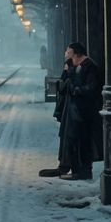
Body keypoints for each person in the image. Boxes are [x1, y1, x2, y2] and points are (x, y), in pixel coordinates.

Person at [60, 42, 102, 179]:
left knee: (83, 141)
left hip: (84, 111)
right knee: (73, 140)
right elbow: (63, 85)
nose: (66, 54)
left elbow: (92, 88)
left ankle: (83, 171)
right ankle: (75, 169)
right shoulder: (73, 66)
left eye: (69, 52)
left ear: (77, 54)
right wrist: (67, 71)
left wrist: (76, 90)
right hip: (74, 110)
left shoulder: (89, 66)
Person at [41, 49, 75, 178]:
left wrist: (67, 72)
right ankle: (64, 165)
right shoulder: (70, 67)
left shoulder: (76, 69)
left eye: (68, 51)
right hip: (68, 109)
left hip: (74, 110)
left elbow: (63, 87)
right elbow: (61, 87)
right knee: (66, 138)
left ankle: (68, 167)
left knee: (69, 138)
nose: (65, 53)